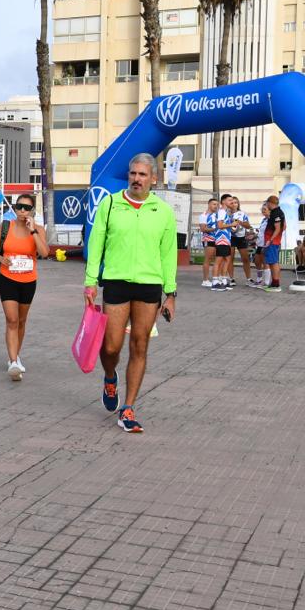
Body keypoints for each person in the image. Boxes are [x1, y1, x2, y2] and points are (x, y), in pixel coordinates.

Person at [84, 153, 177, 435]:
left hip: (149, 285)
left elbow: (169, 254)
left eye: (143, 175)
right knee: (111, 347)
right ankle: (110, 377)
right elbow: (95, 243)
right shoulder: (110, 204)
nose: (137, 179)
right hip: (115, 281)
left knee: (140, 346)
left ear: (153, 179)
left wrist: (170, 292)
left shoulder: (163, 212)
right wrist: (90, 282)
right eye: (133, 173)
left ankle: (128, 408)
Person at [0, 191, 49, 380]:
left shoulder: (39, 229)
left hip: (28, 281)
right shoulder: (5, 226)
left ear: (32, 210)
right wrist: (2, 259)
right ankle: (13, 361)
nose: (22, 211)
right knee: (11, 320)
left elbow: (44, 252)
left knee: (21, 321)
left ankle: (16, 356)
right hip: (8, 278)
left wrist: (33, 230)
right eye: (19, 207)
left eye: (27, 208)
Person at [209, 194, 235, 291]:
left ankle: (223, 279)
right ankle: (215, 282)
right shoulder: (222, 212)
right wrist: (232, 224)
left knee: (227, 259)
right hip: (221, 239)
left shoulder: (225, 212)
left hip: (226, 239)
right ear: (223, 201)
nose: (231, 202)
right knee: (219, 260)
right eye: (229, 200)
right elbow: (219, 225)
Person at [262, 194, 285, 293]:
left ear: (270, 203)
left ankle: (276, 284)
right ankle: (274, 282)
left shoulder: (276, 213)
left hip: (272, 241)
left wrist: (270, 240)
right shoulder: (278, 212)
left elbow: (278, 228)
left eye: (267, 203)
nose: (267, 205)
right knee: (272, 262)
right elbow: (284, 227)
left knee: (273, 262)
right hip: (274, 241)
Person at [227, 196, 252, 285]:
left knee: (245, 259)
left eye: (236, 202)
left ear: (238, 204)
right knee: (230, 258)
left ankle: (249, 279)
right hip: (231, 237)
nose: (234, 204)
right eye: (232, 203)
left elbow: (248, 226)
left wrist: (239, 222)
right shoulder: (226, 214)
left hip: (241, 237)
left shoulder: (242, 214)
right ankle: (231, 278)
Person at [198, 198, 218, 287]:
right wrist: (216, 229)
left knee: (216, 259)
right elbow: (203, 228)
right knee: (208, 259)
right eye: (214, 204)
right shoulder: (204, 215)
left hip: (216, 239)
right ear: (209, 204)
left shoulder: (216, 215)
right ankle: (205, 280)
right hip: (208, 239)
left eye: (217, 204)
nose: (216, 206)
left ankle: (216, 278)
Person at [250, 203, 270, 288]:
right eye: (262, 210)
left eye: (265, 210)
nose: (263, 212)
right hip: (259, 243)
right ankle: (259, 279)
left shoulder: (271, 220)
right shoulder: (264, 220)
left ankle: (266, 283)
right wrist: (254, 236)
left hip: (266, 244)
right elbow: (261, 232)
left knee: (265, 262)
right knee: (257, 261)